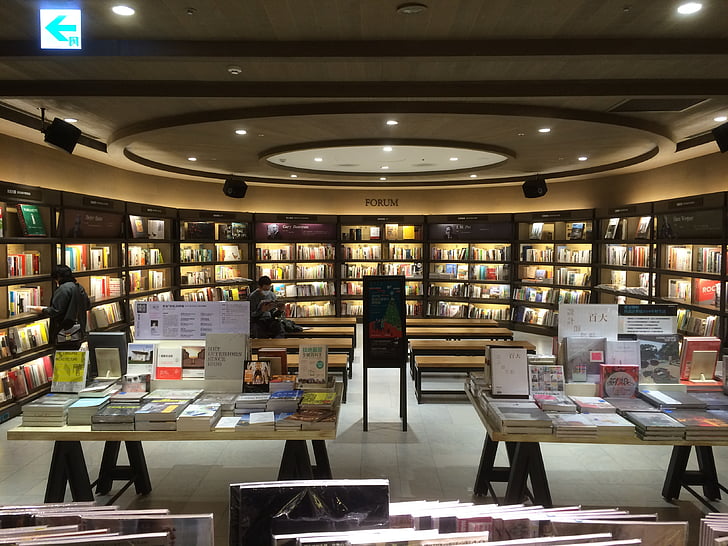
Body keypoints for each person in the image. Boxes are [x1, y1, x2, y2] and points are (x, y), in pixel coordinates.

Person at [29, 264, 91, 350]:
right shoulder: (79, 287)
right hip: (78, 331)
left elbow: (55, 310)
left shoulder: (63, 289)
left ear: (58, 277)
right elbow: (87, 305)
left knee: (63, 355)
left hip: (64, 332)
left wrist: (42, 310)